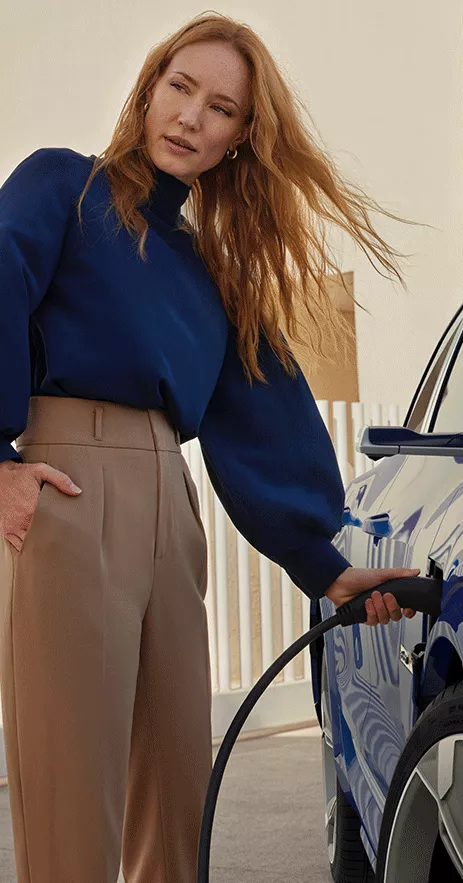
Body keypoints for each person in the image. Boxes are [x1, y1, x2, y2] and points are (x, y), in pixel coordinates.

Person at [0, 11, 424, 883]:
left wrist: (325, 563)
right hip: (68, 484)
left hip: (171, 506)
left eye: (221, 107)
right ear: (150, 88)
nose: (191, 117)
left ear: (241, 137)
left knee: (177, 800)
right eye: (180, 88)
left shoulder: (208, 271)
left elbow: (257, 414)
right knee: (73, 793)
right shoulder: (60, 187)